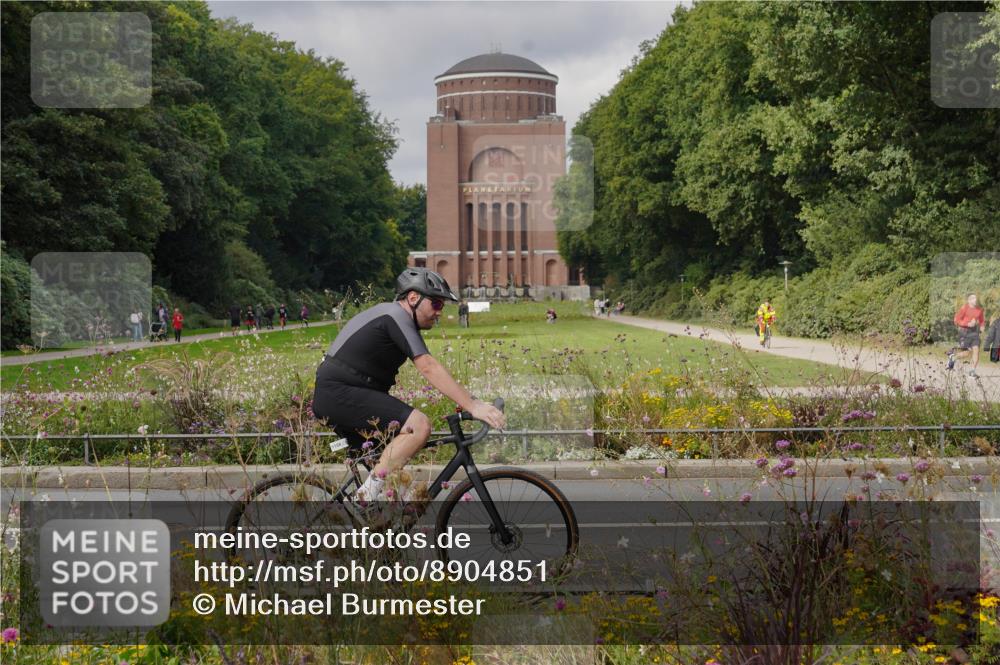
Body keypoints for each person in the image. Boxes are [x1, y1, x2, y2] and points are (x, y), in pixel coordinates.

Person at [311, 267, 505, 505]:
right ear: (413, 298)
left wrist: (471, 399)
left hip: (344, 392)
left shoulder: (396, 317)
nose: (439, 313)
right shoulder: (396, 316)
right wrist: (472, 405)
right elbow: (428, 366)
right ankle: (363, 498)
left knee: (394, 479)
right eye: (436, 304)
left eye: (442, 306)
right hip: (338, 392)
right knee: (418, 426)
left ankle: (373, 526)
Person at [949, 293, 985, 376]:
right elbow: (957, 320)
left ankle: (973, 371)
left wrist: (982, 326)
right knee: (967, 353)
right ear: (969, 300)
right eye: (972, 298)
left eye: (975, 298)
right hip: (964, 332)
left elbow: (982, 320)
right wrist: (967, 323)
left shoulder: (979, 310)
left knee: (976, 350)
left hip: (974, 332)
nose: (975, 300)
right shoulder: (964, 308)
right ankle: (953, 357)